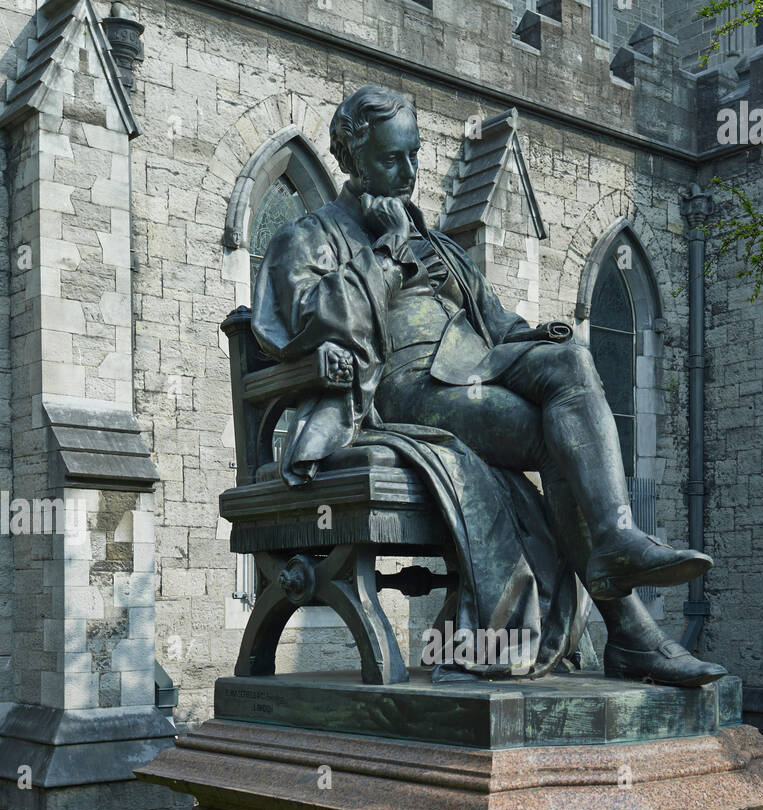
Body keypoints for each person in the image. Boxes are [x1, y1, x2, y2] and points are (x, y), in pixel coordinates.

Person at [252, 85, 725, 687]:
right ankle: (632, 633)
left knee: (572, 359)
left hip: (477, 366)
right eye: (392, 159)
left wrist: (540, 338)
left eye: (415, 156)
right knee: (559, 442)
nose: (409, 174)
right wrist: (388, 263)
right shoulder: (311, 237)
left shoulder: (440, 246)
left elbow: (497, 323)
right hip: (408, 390)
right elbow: (290, 322)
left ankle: (615, 536)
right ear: (350, 156)